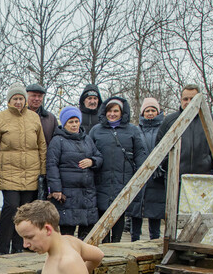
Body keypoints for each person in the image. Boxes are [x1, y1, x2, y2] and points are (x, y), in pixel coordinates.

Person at [0, 83, 47, 255]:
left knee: (26, 212)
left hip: (31, 171)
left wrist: (42, 170)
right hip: (9, 171)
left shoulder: (34, 117)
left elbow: (41, 144)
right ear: (9, 100)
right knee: (11, 207)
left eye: (21, 98)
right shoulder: (0, 118)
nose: (19, 102)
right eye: (15, 99)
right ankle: (3, 246)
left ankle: (19, 246)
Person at [89, 97, 147, 243]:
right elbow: (88, 151)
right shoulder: (96, 130)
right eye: (109, 111)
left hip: (123, 178)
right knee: (102, 212)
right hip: (101, 178)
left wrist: (140, 176)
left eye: (116, 111)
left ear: (122, 112)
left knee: (119, 212)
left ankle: (116, 243)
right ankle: (104, 244)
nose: (112, 114)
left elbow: (140, 153)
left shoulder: (132, 130)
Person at [46, 106, 103, 239]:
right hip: (67, 193)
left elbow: (99, 157)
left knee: (87, 231)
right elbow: (52, 165)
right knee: (67, 232)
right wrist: (56, 189)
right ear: (64, 123)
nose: (74, 125)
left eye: (76, 121)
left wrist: (92, 161)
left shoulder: (87, 139)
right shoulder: (57, 141)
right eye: (70, 122)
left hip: (86, 193)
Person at [155, 84, 213, 176]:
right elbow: (159, 146)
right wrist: (167, 164)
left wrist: (212, 166)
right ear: (181, 100)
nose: (188, 102)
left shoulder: (210, 120)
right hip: (176, 177)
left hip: (203, 176)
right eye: (185, 99)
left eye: (192, 99)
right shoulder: (170, 121)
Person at [130, 98, 166, 241]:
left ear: (158, 112)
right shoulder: (136, 130)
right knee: (136, 213)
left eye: (153, 110)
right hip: (139, 176)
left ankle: (155, 241)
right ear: (142, 113)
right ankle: (134, 241)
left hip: (157, 177)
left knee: (155, 213)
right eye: (147, 111)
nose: (150, 113)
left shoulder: (163, 129)